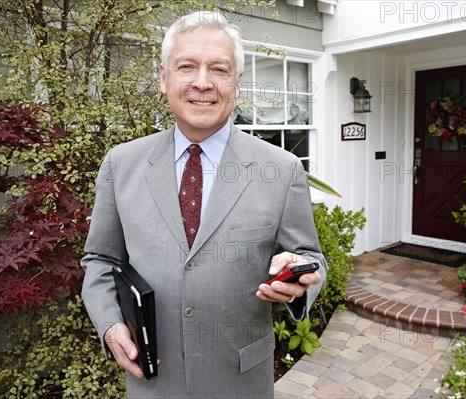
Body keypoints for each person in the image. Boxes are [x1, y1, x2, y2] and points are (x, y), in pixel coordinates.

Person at [81, 10, 327, 399]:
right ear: (164, 78)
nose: (202, 83)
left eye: (219, 69)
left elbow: (309, 256)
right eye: (187, 66)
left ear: (238, 83)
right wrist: (111, 326)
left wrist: (299, 280)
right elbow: (100, 261)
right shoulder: (120, 164)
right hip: (153, 382)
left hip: (241, 381)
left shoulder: (281, 169)